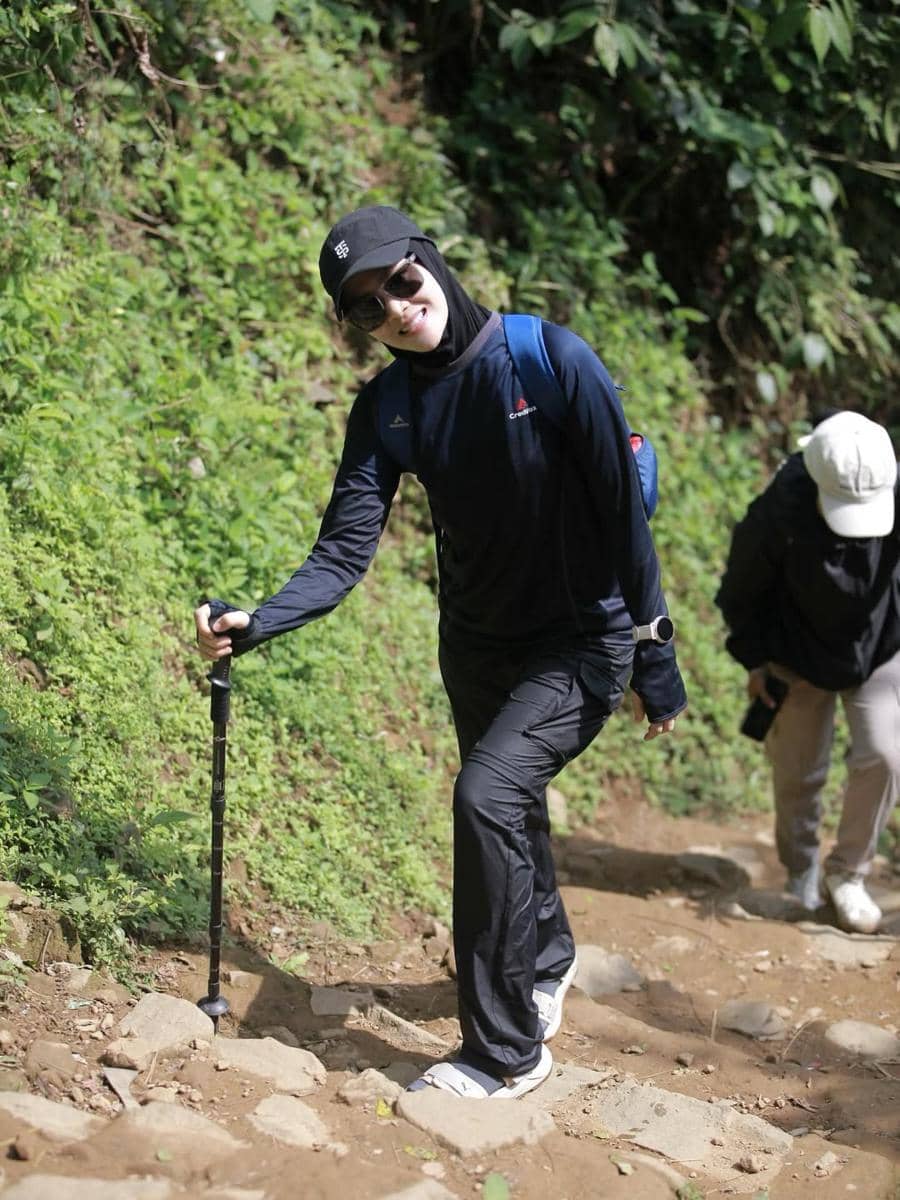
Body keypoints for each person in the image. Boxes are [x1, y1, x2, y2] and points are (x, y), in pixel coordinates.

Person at [194, 206, 687, 1098]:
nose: (395, 309)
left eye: (401, 281)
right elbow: (345, 551)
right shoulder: (387, 410)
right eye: (367, 308)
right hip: (475, 643)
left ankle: (505, 1054)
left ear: (430, 260)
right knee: (511, 800)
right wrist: (259, 619)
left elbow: (622, 515)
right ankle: (546, 962)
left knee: (487, 794)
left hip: (581, 640)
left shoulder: (548, 359)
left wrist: (655, 653)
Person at [716, 410, 900, 934]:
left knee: (886, 754)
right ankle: (802, 868)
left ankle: (849, 874)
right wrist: (754, 661)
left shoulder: (894, 487)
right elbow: (741, 591)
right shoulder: (778, 512)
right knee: (798, 771)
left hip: (880, 642)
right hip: (794, 655)